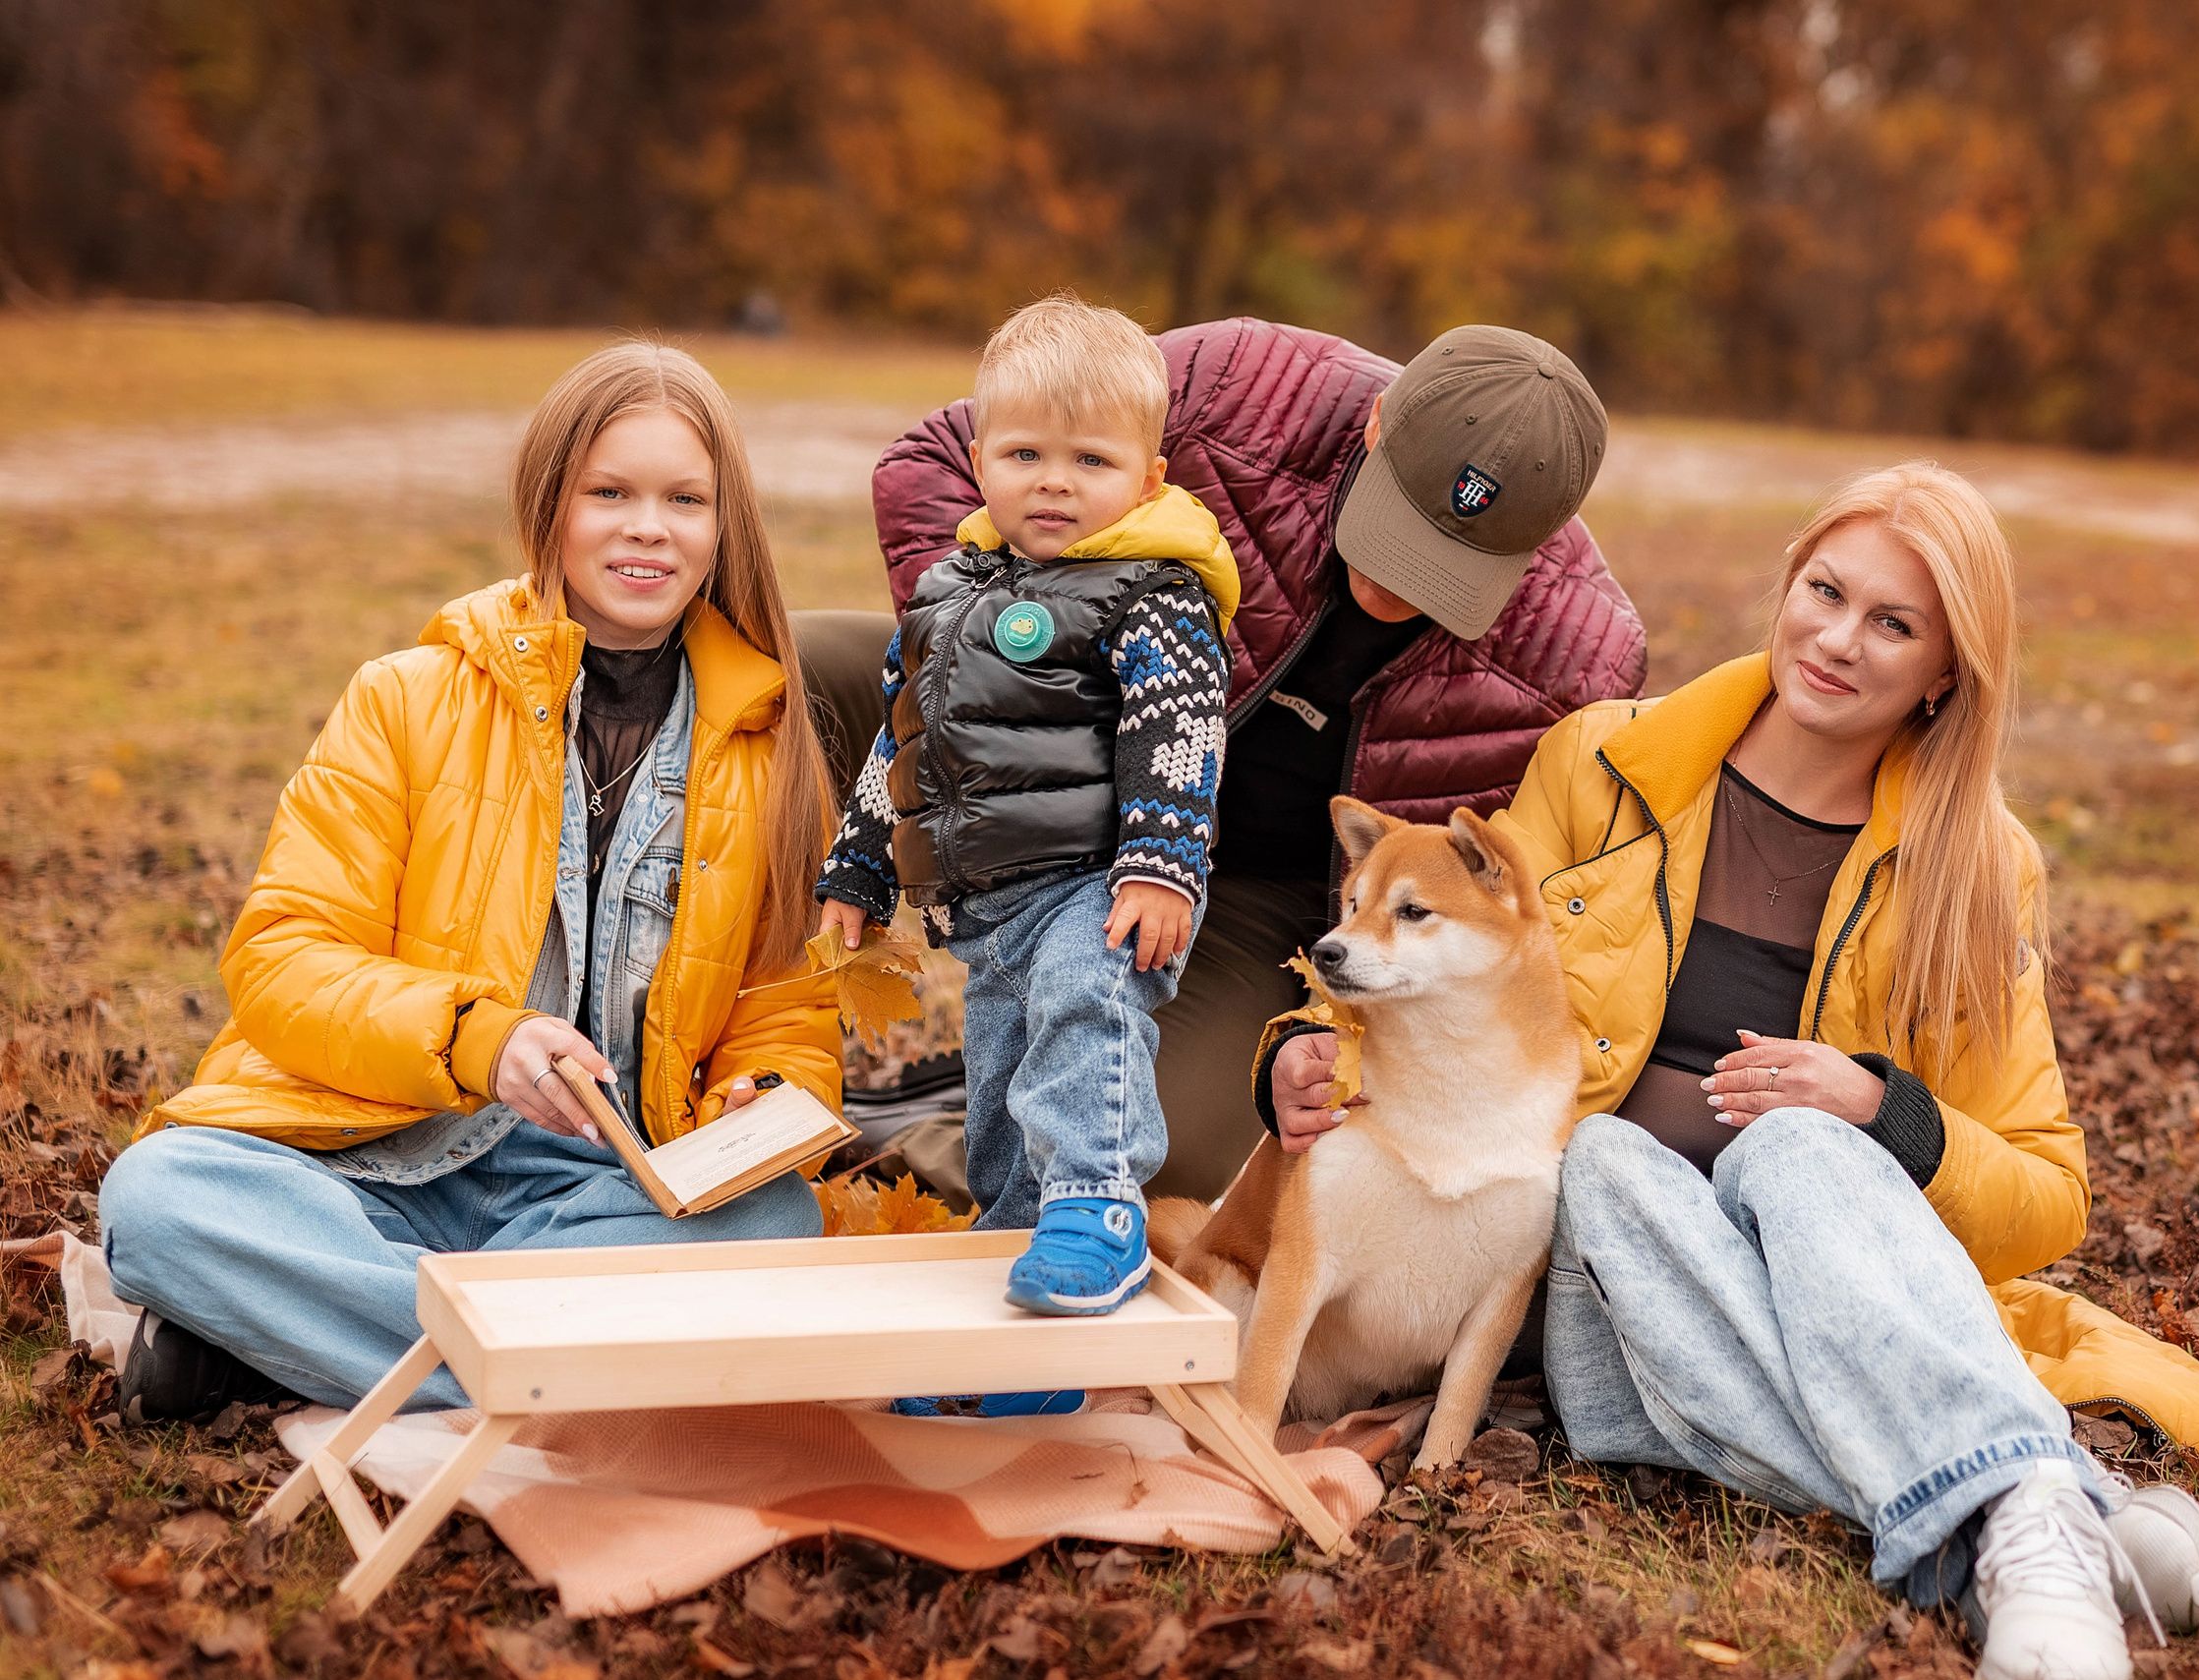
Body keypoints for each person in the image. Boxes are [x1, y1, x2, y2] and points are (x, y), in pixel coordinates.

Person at [1262, 464, 2199, 1680]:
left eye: (1893, 623)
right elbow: (1442, 937)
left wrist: (1883, 1108)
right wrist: (1302, 1044)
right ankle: (2051, 1508)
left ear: (1946, 670)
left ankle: (2017, 1536)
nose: (1837, 639)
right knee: (1602, 1155)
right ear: (1787, 584)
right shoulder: (1603, 763)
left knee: (1799, 1139)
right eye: (1825, 591)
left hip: (1841, 1287)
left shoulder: (1979, 866)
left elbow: (2047, 1195)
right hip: (1610, 1284)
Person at [100, 344, 839, 1421]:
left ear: (725, 525)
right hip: (362, 1159)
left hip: (593, 1196)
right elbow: (282, 959)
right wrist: (478, 1039)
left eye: (685, 499)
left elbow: (783, 1006)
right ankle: (534, 1351)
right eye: (610, 493)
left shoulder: (770, 750)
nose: (649, 527)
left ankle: (284, 1345)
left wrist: (761, 1099)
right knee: (158, 1196)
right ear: (550, 505)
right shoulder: (406, 699)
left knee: (773, 1222)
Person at [792, 317, 1647, 1201]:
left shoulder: (1575, 662)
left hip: (1247, 883)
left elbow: (1454, 918)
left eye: (1446, 569)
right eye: (1393, 531)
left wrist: (1314, 1030)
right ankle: (753, 1038)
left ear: (1540, 544)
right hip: (1036, 710)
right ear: (1376, 421)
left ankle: (923, 1140)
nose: (1394, 586)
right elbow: (927, 460)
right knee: (789, 675)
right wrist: (1015, 667)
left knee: (1168, 1156)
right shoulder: (1241, 383)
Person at [812, 296, 1238, 1317]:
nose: (1054, 480)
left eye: (1091, 460)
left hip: (1100, 888)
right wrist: (859, 866)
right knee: (1001, 1090)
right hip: (990, 912)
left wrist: (1162, 863)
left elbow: (1180, 733)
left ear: (1149, 478)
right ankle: (1022, 1273)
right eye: (1025, 454)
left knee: (1086, 1011)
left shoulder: (1152, 592)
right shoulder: (943, 596)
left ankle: (1099, 1207)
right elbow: (900, 741)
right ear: (979, 463)